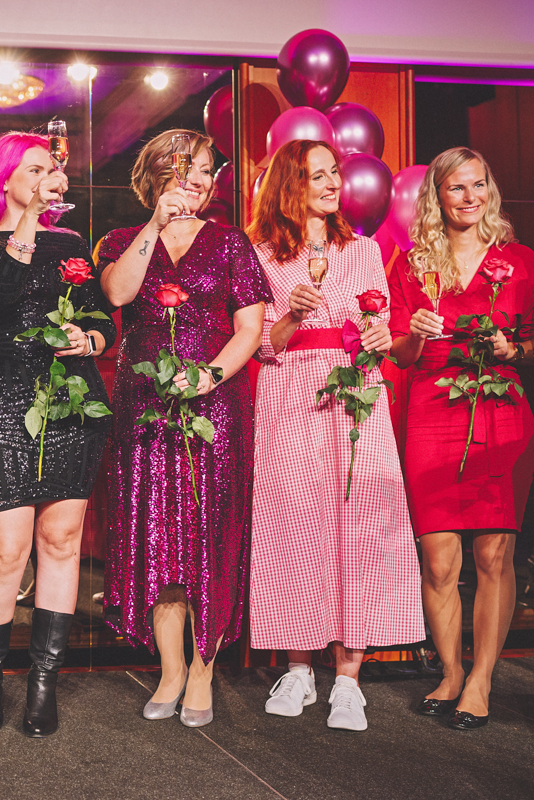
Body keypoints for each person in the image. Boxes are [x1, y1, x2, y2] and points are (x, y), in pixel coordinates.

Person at [247, 139, 424, 731]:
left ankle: (349, 679)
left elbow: (379, 326)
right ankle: (298, 668)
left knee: (359, 524)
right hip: (291, 391)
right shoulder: (261, 254)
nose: (331, 184)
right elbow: (261, 345)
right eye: (317, 175)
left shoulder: (364, 250)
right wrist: (292, 315)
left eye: (334, 174)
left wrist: (378, 336)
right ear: (288, 185)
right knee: (294, 521)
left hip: (354, 392)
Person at [99, 129, 270, 728]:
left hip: (213, 405)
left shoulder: (229, 242)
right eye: (185, 168)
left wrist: (211, 375)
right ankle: (170, 670)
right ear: (155, 175)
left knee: (207, 534)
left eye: (205, 170)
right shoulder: (122, 240)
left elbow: (250, 328)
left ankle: (203, 670)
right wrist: (155, 224)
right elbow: (118, 293)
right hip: (143, 402)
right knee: (156, 536)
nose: (197, 180)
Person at [0, 132, 114, 737]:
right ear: (5, 178)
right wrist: (27, 219)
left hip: (71, 398)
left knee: (62, 539)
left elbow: (101, 316)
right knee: (6, 549)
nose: (52, 179)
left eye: (54, 171)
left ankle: (44, 682)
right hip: (1, 396)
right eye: (36, 170)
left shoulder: (70, 243)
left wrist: (89, 339)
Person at [388, 146, 534, 730]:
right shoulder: (411, 264)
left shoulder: (520, 260)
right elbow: (399, 353)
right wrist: (416, 334)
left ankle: (481, 679)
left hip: (500, 408)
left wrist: (513, 349)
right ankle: (450, 671)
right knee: (439, 556)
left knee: (494, 553)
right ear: (437, 196)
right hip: (432, 410)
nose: (470, 197)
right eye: (457, 187)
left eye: (479, 184)